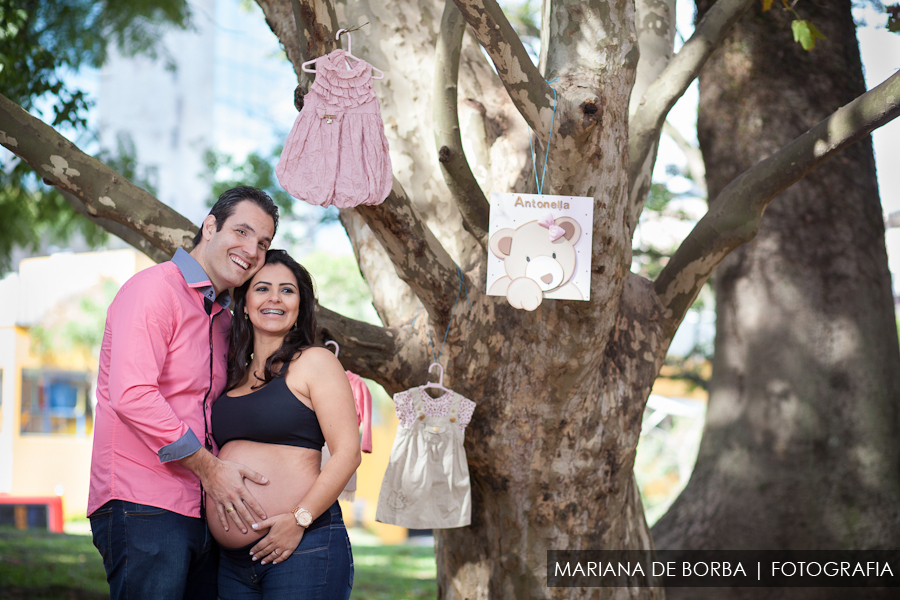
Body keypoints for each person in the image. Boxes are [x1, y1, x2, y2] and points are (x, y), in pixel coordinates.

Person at [87, 186, 279, 600]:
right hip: (142, 503)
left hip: (203, 510)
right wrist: (210, 469)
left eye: (263, 243)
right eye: (242, 232)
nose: (252, 250)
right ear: (210, 227)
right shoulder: (153, 289)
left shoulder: (225, 320)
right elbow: (132, 395)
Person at [210, 249, 360, 599]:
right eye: (262, 288)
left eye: (287, 290)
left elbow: (347, 454)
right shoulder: (232, 375)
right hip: (232, 563)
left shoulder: (315, 362)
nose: (275, 297)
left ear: (299, 307)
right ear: (244, 303)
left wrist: (298, 520)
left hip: (303, 547)